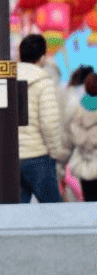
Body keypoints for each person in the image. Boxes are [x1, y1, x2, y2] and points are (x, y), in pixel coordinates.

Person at [17, 34, 70, 203]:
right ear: (42, 57)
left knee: (15, 218)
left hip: (12, 158)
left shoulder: (9, 80)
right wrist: (56, 153)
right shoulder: (43, 82)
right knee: (54, 215)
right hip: (38, 156)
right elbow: (49, 123)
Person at [64, 71, 97, 201]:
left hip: (84, 167)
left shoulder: (75, 111)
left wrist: (61, 168)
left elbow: (66, 143)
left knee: (89, 204)